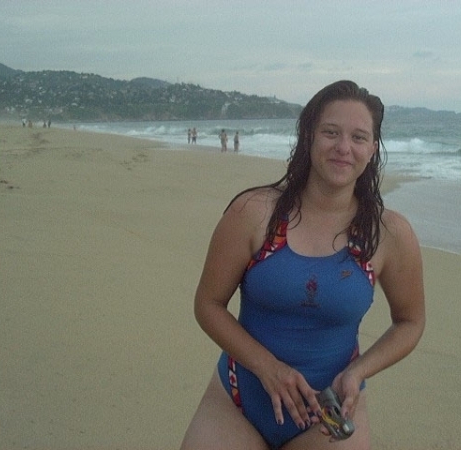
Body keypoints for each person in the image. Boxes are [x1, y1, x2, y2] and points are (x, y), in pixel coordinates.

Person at [180, 80, 425, 450]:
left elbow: (411, 321)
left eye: (359, 137)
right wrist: (268, 367)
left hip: (330, 419)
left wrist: (359, 371)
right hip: (239, 402)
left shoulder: (388, 233)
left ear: (373, 148)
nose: (343, 147)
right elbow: (208, 304)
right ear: (309, 135)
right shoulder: (254, 213)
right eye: (331, 132)